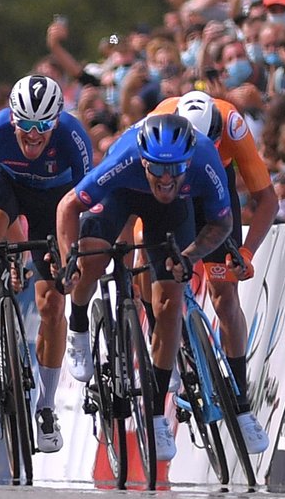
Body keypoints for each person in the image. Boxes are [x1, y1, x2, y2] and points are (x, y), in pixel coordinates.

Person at [59, 112, 235, 464]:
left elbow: (222, 223)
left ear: (189, 160)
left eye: (175, 169)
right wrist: (69, 260)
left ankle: (155, 416)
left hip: (170, 213)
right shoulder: (125, 158)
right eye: (158, 168)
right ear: (143, 161)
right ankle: (78, 324)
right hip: (120, 195)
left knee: (169, 304)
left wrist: (189, 256)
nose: (166, 178)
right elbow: (68, 206)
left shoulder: (204, 158)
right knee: (92, 259)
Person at [0, 75, 96, 453]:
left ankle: (45, 407)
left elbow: (83, 207)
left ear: (56, 120)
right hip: (6, 187)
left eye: (43, 125)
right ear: (12, 118)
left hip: (56, 204)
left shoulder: (73, 138)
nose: (33, 133)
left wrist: (71, 257)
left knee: (53, 304)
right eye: (25, 123)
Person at [158, 88, 277, 454]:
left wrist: (247, 252)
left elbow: (267, 199)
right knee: (160, 289)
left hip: (213, 191)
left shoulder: (232, 123)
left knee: (225, 297)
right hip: (168, 186)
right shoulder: (159, 120)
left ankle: (242, 406)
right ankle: (170, 360)